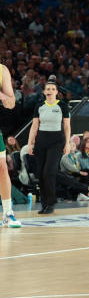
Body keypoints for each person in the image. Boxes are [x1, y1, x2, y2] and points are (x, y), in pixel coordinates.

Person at [25, 76, 71, 214]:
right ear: (44, 92)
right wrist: (30, 143)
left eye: (53, 89)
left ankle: (51, 203)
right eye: (47, 89)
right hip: (41, 141)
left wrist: (67, 143)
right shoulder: (39, 105)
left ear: (57, 92)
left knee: (49, 172)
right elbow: (34, 126)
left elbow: (67, 126)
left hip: (56, 141)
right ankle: (44, 203)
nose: (50, 91)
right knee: (40, 173)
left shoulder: (62, 105)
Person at [1, 62, 22, 227]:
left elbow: (11, 103)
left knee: (1, 168)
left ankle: (8, 213)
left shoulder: (2, 70)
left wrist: (1, 95)